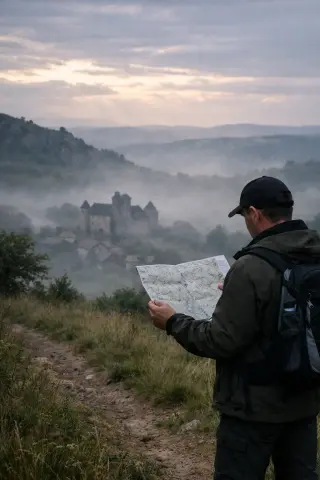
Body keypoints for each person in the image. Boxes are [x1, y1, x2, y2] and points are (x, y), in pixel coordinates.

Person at [148, 176, 320, 480]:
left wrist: (173, 321)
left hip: (251, 409)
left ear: (254, 213)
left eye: (243, 216)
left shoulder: (250, 267)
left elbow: (220, 341)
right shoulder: (313, 253)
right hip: (304, 403)